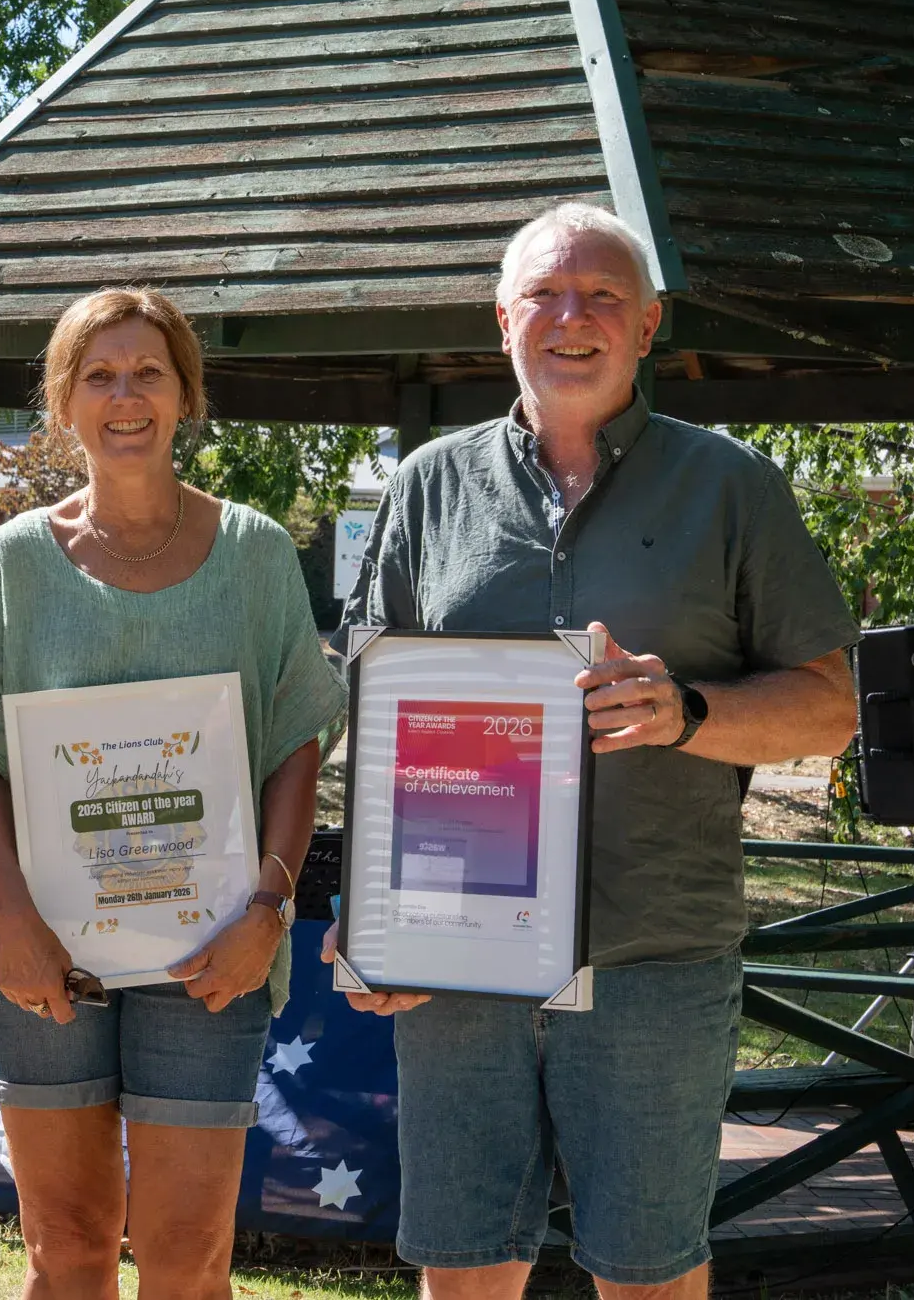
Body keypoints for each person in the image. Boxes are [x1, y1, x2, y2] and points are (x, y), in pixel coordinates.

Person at [333, 203, 859, 1300]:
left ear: (649, 323)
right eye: (544, 295)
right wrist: (369, 916)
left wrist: (688, 712)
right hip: (457, 962)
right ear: (501, 319)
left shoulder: (732, 486)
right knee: (464, 1269)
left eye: (602, 296)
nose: (570, 318)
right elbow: (378, 714)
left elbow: (829, 707)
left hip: (652, 957)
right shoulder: (428, 484)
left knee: (648, 1276)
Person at [0, 288, 345, 1299]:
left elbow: (296, 739)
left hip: (212, 950)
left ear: (185, 395)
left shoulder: (253, 555)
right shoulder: (14, 563)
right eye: (98, 375)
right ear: (63, 403)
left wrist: (267, 908)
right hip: (40, 955)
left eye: (148, 372)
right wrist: (16, 921)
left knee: (188, 1257)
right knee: (64, 1250)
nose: (125, 396)